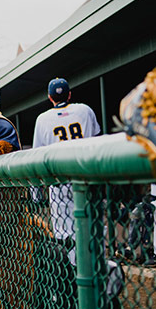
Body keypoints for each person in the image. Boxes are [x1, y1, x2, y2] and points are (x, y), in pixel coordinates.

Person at [32, 77, 101, 265]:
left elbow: (37, 157)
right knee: (91, 227)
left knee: (66, 234)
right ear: (69, 94)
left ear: (49, 97)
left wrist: (36, 193)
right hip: (86, 177)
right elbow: (96, 139)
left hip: (59, 182)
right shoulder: (84, 110)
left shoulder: (43, 119)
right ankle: (96, 268)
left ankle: (75, 272)